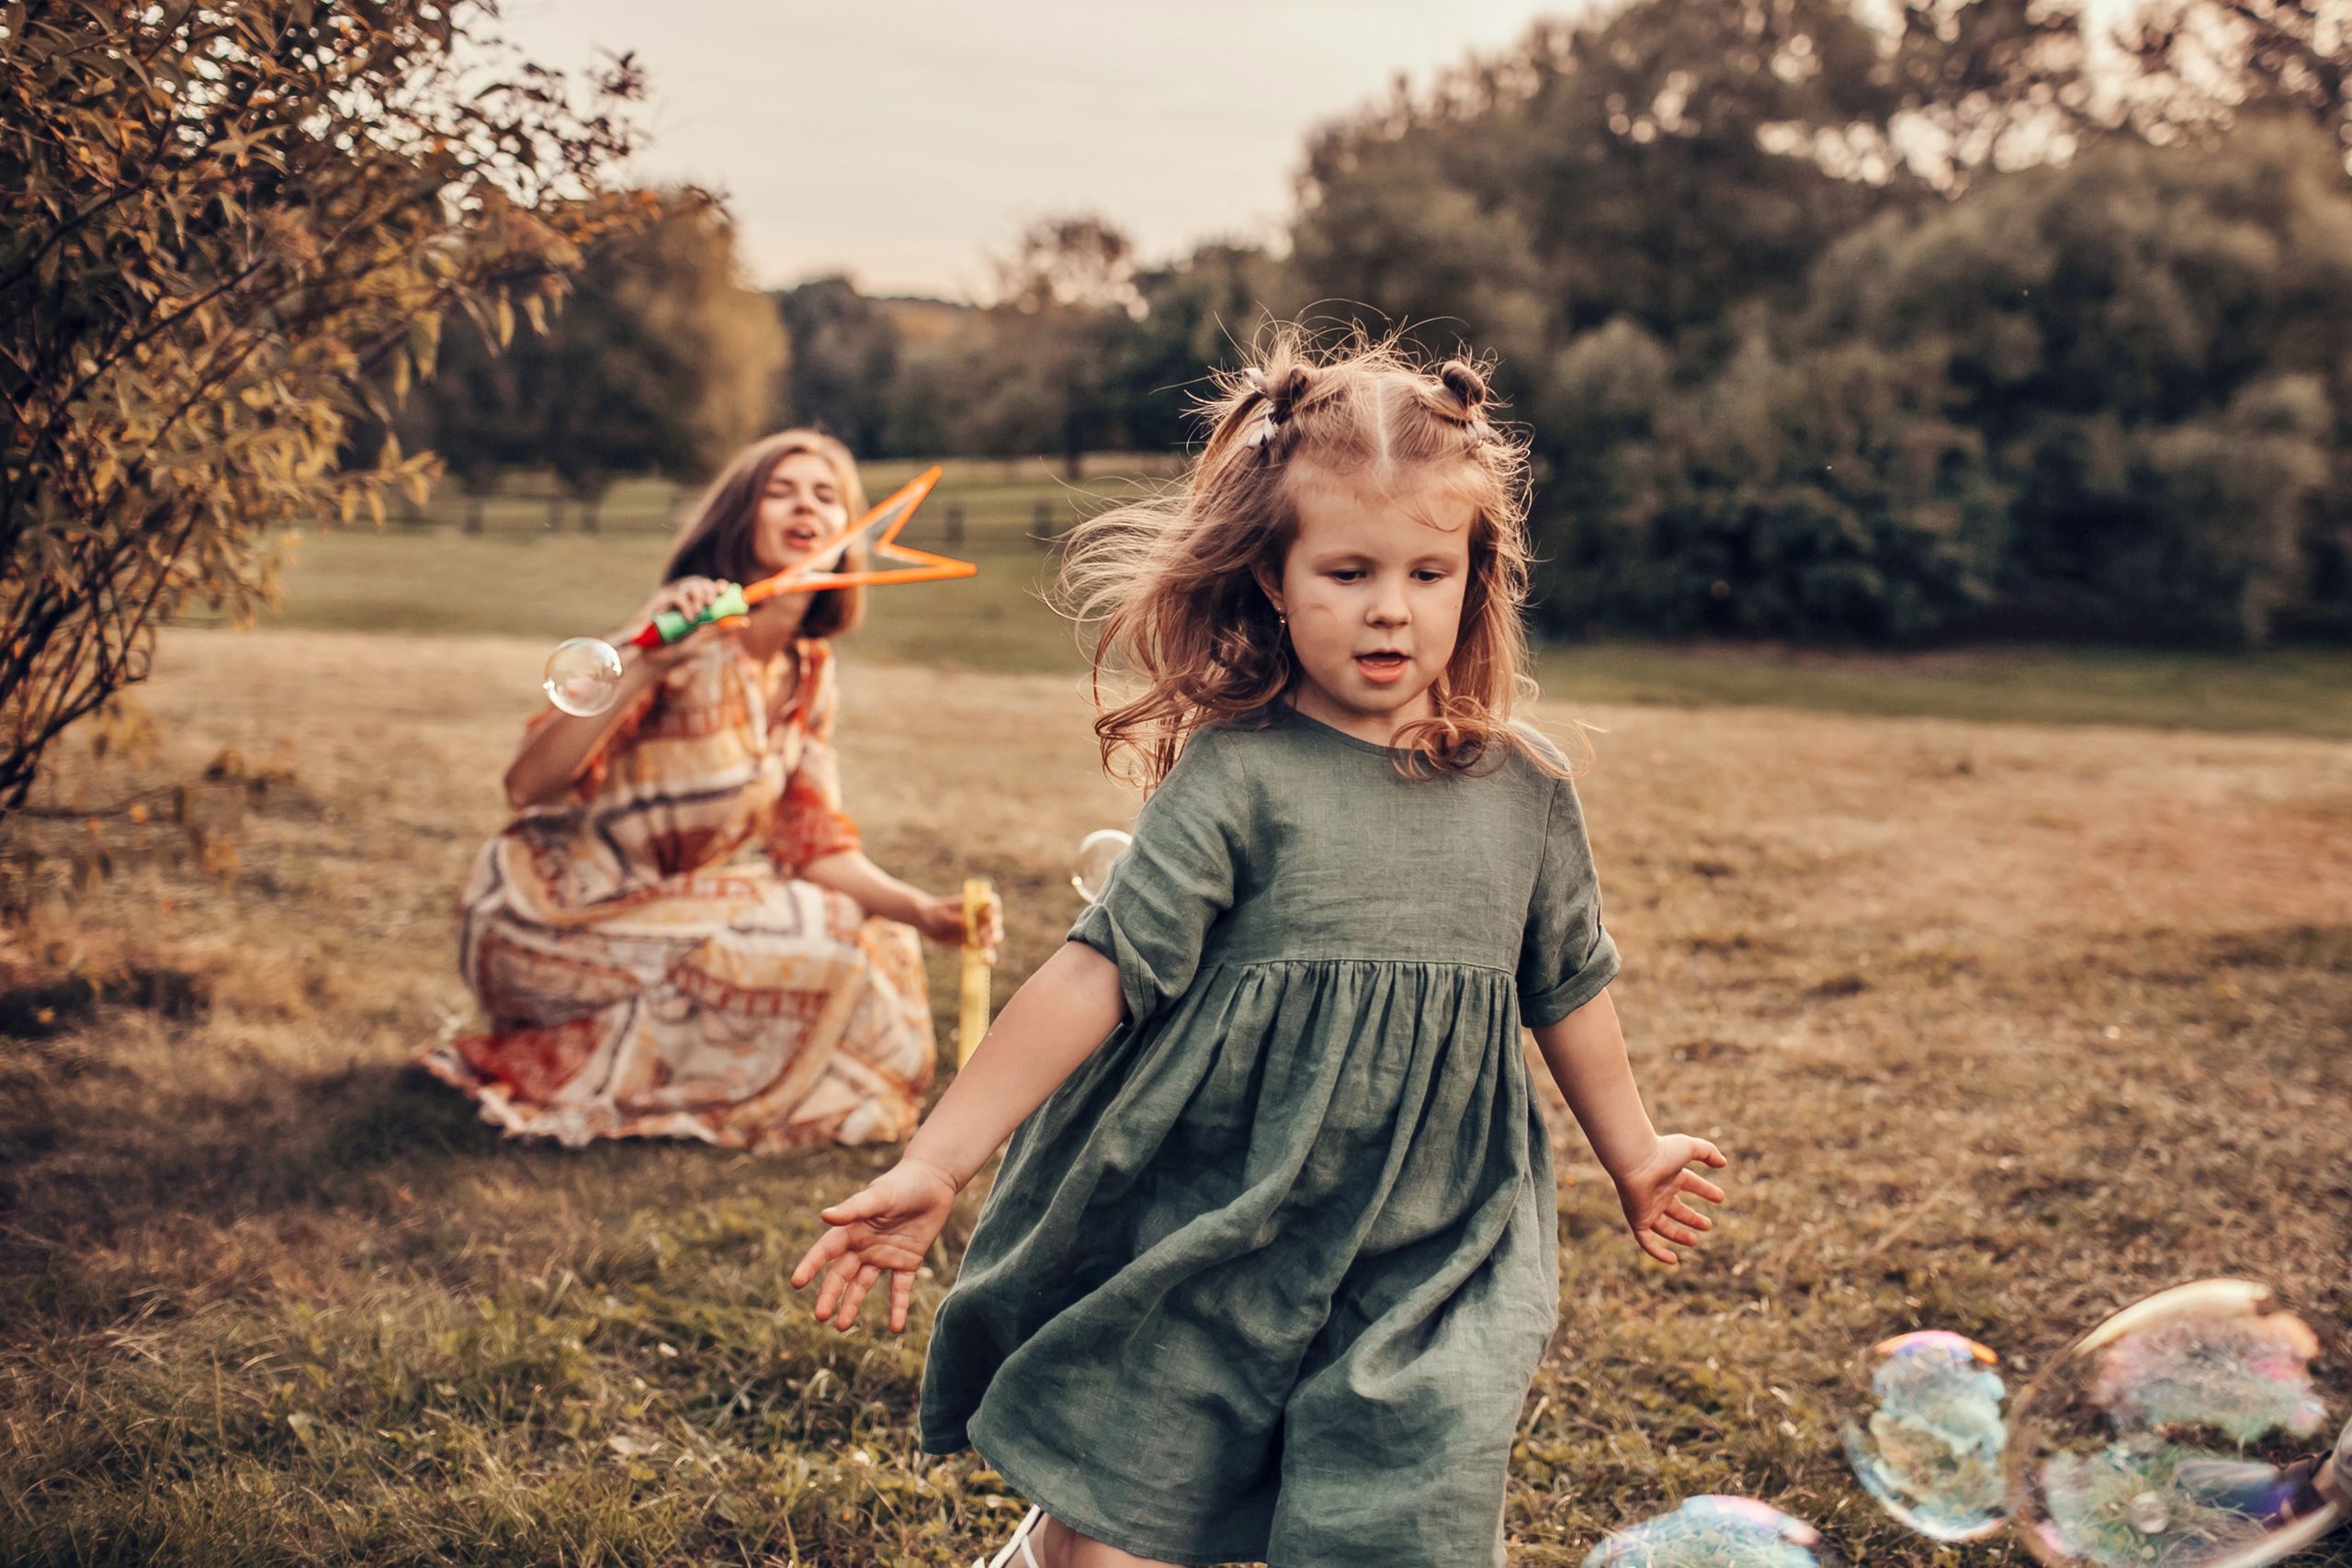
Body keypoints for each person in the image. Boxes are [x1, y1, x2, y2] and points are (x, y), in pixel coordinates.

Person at [790, 340, 1729, 1568]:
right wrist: (936, 1159)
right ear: (1274, 581)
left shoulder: (1526, 792)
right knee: (1133, 1499)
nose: (1389, 606)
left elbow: (1565, 989)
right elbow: (1095, 971)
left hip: (1434, 1236)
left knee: (1408, 1498)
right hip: (1218, 1208)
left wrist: (1636, 1151)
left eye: (1427, 571)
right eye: (1347, 570)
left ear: (1476, 578)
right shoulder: (1240, 775)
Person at [423, 430, 1000, 1152]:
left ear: (847, 534)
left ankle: (691, 1068)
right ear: (740, 517)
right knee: (817, 921)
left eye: (826, 496)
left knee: (875, 929)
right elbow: (527, 784)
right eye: (780, 491)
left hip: (663, 914)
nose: (806, 506)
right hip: (547, 912)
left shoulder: (810, 672)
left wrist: (922, 911)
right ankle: (593, 1057)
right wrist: (647, 660)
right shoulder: (684, 632)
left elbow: (813, 842)